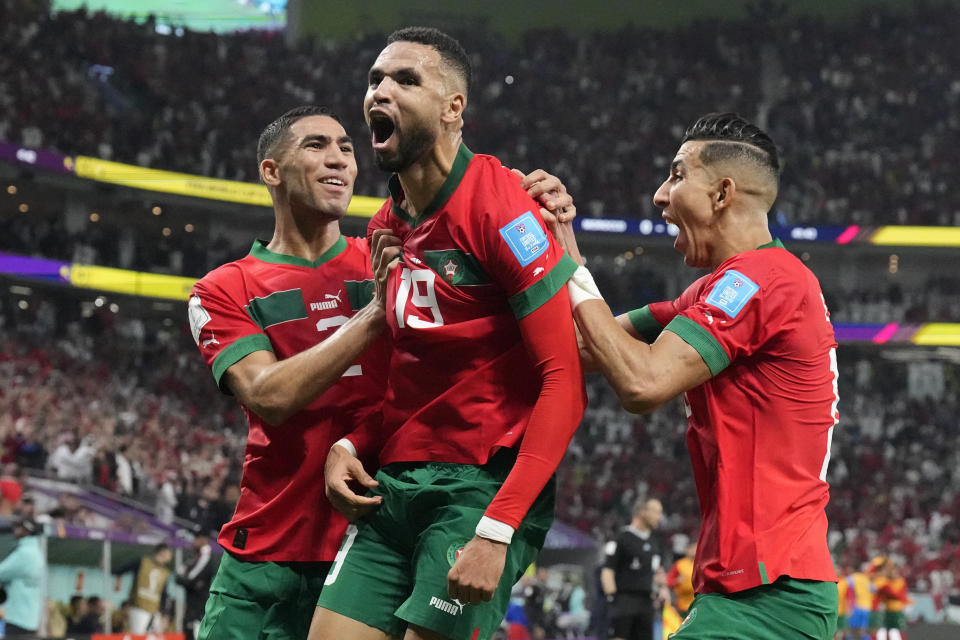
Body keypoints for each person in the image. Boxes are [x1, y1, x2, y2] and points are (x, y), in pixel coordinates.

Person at [188, 105, 572, 640]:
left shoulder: (399, 256)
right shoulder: (224, 288)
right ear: (271, 171)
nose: (339, 159)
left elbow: (487, 336)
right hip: (267, 555)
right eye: (316, 145)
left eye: (347, 147)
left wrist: (543, 216)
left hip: (381, 535)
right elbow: (266, 395)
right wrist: (375, 312)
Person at [313, 26, 586, 640]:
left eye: (406, 80)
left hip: (477, 490)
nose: (381, 91)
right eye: (375, 80)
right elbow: (411, 368)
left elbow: (565, 381)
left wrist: (498, 528)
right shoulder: (385, 225)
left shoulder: (504, 207)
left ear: (452, 108)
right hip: (395, 487)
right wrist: (351, 446)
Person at [551, 112, 839, 639]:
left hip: (770, 594)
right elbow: (590, 346)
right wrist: (554, 243)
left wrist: (571, 270)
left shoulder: (762, 281)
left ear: (723, 193)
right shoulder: (718, 290)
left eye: (678, 175)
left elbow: (642, 383)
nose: (661, 195)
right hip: (754, 589)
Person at [600, 498, 665, 640]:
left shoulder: (654, 542)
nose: (659, 517)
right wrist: (613, 599)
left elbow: (657, 570)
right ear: (642, 512)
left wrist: (663, 588)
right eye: (656, 512)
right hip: (625, 600)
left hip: (647, 602)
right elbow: (607, 571)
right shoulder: (622, 538)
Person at [114, 542, 172, 633]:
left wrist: (164, 613)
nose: (170, 556)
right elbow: (122, 569)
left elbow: (164, 594)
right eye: (169, 553)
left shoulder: (165, 572)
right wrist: (109, 568)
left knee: (157, 635)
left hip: (155, 609)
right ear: (162, 552)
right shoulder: (142, 562)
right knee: (139, 634)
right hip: (138, 607)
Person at [0, 518, 45, 637]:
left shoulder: (24, 553)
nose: (15, 530)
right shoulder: (36, 552)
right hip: (29, 618)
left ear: (26, 531)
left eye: (18, 527)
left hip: (17, 618)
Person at [176, 532, 216, 639]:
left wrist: (183, 580)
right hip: (192, 604)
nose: (193, 541)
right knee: (188, 629)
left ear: (204, 539)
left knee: (195, 631)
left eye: (196, 538)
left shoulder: (205, 557)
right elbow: (181, 576)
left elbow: (190, 579)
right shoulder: (196, 556)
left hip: (198, 606)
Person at [666, 542, 697, 619]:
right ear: (687, 550)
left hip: (699, 602)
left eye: (696, 547)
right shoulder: (680, 564)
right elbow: (668, 580)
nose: (694, 550)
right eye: (692, 548)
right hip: (682, 604)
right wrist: (676, 580)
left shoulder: (702, 563)